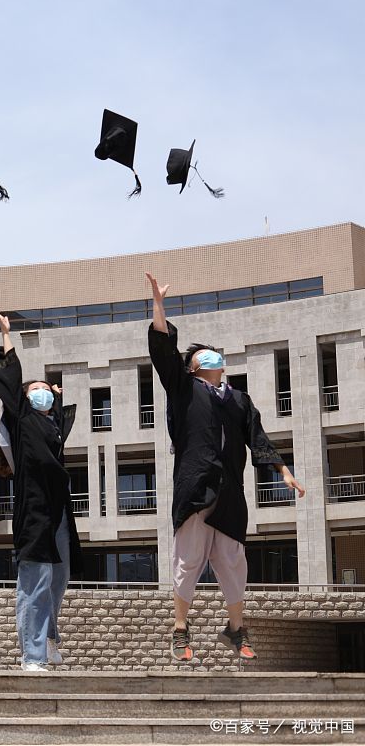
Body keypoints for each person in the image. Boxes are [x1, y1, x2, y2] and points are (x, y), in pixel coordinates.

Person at [145, 273, 305, 661]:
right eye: (205, 356)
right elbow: (164, 351)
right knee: (188, 562)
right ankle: (180, 631)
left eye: (216, 354)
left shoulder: (240, 400)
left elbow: (258, 437)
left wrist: (282, 469)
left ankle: (235, 629)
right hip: (195, 488)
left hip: (230, 492)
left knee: (233, 563)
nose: (213, 358)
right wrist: (159, 305)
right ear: (193, 368)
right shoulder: (183, 389)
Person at [0, 306, 81, 671]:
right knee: (35, 583)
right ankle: (32, 656)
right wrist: (6, 335)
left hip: (60, 511)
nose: (42, 394)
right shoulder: (20, 419)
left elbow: (60, 416)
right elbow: (11, 378)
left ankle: (49, 639)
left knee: (58, 580)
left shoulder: (52, 426)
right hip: (34, 509)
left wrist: (56, 395)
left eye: (45, 391)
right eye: (35, 390)